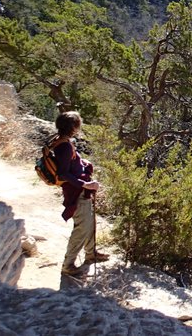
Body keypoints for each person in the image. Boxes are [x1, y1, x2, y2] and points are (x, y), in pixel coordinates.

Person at [54, 111, 109, 276]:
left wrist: (82, 163)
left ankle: (91, 254)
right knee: (82, 227)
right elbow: (63, 173)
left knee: (89, 222)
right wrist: (87, 184)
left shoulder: (62, 141)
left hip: (80, 190)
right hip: (77, 192)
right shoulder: (64, 146)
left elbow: (69, 165)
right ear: (73, 127)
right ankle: (68, 264)